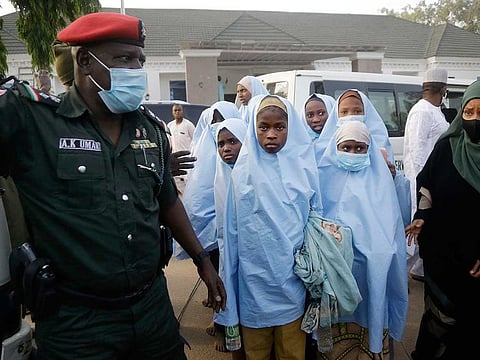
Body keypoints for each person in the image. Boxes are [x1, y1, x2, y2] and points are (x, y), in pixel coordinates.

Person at [0, 12, 226, 359]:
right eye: (124, 59)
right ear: (85, 61)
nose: (136, 70)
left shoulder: (150, 129)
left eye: (140, 60)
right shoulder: (34, 120)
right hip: (77, 321)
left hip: (152, 308)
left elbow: (167, 200)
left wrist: (202, 260)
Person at [216, 94, 322, 360]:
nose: (271, 134)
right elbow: (230, 233)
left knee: (292, 351)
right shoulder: (242, 173)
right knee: (256, 352)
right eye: (264, 127)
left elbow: (315, 219)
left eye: (279, 127)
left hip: (293, 279)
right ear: (254, 128)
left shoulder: (304, 168)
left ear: (291, 128)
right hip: (254, 281)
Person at [314, 92, 409, 359]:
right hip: (335, 267)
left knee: (372, 317)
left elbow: (391, 223)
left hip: (371, 267)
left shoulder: (380, 172)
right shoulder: (322, 170)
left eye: (359, 148)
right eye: (347, 148)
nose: (353, 153)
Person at [406, 79, 480, 360]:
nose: (474, 120)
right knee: (438, 321)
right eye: (469, 112)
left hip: (476, 262)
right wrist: (422, 216)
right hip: (444, 256)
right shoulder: (447, 147)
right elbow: (428, 187)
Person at [403, 68, 449, 282]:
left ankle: (419, 271)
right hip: (423, 182)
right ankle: (397, 272)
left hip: (434, 180)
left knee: (431, 226)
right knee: (417, 229)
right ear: (443, 90)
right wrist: (427, 183)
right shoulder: (422, 112)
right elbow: (418, 150)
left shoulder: (434, 110)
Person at [211, 118, 247, 356]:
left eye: (233, 141)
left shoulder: (253, 176)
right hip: (229, 250)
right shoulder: (221, 177)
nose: (227, 148)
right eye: (221, 143)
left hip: (251, 251)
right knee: (229, 293)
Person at [167, 103, 196, 196]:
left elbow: (195, 140)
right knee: (177, 188)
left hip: (187, 160)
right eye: (175, 110)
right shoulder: (170, 126)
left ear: (182, 111)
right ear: (172, 112)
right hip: (175, 160)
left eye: (179, 110)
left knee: (189, 187)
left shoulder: (188, 125)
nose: (177, 112)